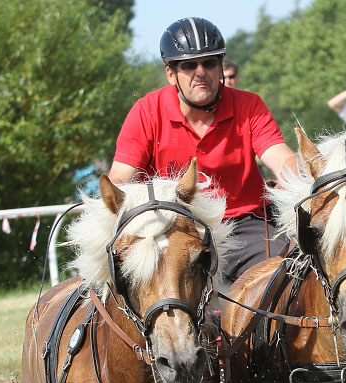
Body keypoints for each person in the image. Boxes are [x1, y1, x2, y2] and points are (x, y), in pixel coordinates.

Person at [108, 17, 298, 285]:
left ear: (220, 66)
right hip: (171, 227)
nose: (201, 72)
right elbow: (120, 178)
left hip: (242, 225)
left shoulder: (249, 105)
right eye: (188, 65)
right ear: (170, 72)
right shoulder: (146, 110)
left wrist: (307, 176)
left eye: (209, 62)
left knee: (289, 276)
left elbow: (281, 158)